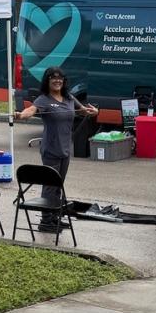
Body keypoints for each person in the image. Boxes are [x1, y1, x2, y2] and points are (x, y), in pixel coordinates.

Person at [15, 67, 98, 230]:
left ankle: (55, 216)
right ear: (47, 81)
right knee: (49, 186)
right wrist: (21, 115)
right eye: (53, 78)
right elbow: (31, 110)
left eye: (60, 78)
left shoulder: (68, 98)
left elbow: (84, 111)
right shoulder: (43, 99)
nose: (57, 80)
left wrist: (94, 112)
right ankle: (45, 221)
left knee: (58, 185)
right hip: (51, 150)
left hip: (66, 149)